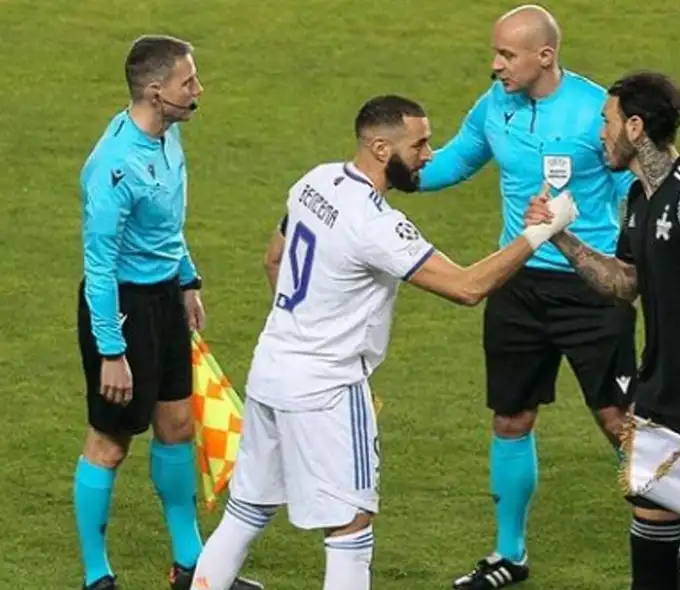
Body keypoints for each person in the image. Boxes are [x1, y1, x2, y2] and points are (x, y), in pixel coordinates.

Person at [189, 95, 579, 590]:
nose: (429, 155)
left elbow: (274, 258)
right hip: (327, 386)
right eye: (419, 144)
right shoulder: (376, 224)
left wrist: (304, 330)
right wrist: (540, 233)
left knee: (246, 511)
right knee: (351, 528)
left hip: (272, 369)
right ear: (379, 147)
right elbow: (467, 287)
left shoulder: (315, 181)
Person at [417, 6, 637, 586]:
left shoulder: (596, 111)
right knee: (511, 418)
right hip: (516, 283)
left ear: (545, 56)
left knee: (621, 421)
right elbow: (454, 163)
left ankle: (677, 538)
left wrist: (640, 266)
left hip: (593, 285)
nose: (495, 66)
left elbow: (632, 188)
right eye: (495, 54)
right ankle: (509, 554)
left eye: (506, 56)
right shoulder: (495, 106)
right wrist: (387, 171)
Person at [527, 70, 680, 590]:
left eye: (606, 121)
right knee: (651, 556)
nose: (600, 134)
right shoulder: (638, 196)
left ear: (635, 127)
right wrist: (559, 238)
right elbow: (625, 283)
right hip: (660, 393)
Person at [74, 34, 261, 590]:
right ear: (156, 92)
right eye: (188, 83)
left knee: (177, 426)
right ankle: (96, 576)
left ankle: (191, 566)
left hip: (162, 300)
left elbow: (165, 228)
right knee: (109, 442)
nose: (198, 91)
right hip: (123, 310)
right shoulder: (113, 167)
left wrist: (187, 279)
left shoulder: (167, 135)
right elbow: (101, 266)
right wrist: (111, 351)